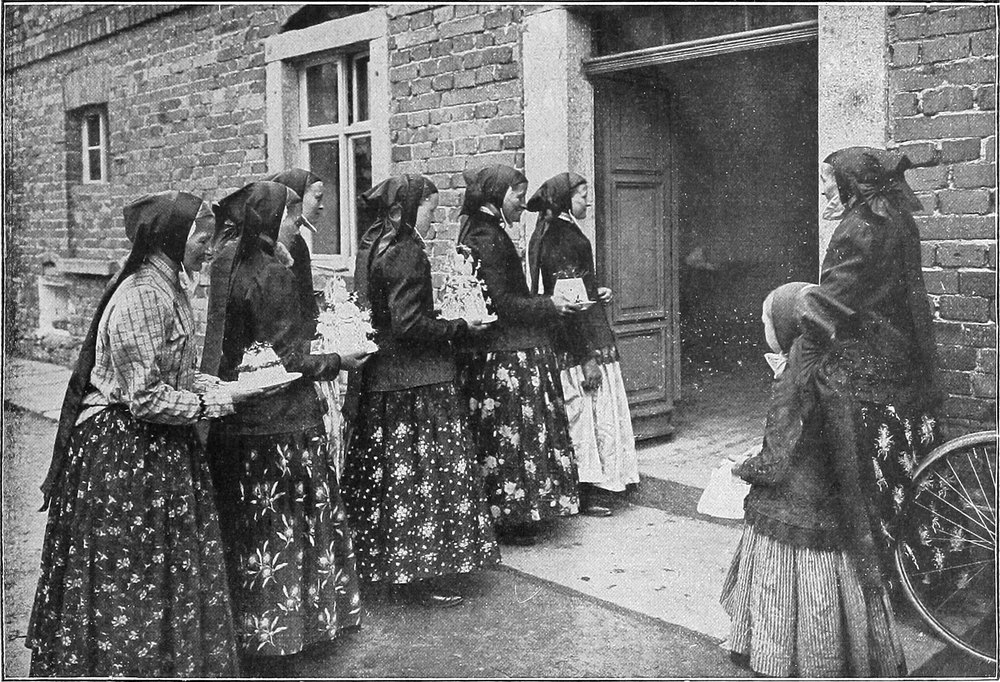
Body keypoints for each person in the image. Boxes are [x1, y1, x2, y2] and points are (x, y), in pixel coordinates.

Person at [27, 191, 266, 677]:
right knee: (132, 578)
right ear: (172, 237)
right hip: (124, 457)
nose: (209, 247)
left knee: (158, 575)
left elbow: (169, 373)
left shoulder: (168, 285)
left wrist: (216, 385)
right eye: (202, 236)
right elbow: (144, 398)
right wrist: (217, 403)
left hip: (156, 449)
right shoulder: (142, 295)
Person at [207, 181, 369, 672]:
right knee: (288, 528)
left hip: (237, 420)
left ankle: (252, 632)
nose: (300, 227)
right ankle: (290, 637)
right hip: (282, 424)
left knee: (252, 529)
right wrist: (339, 359)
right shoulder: (272, 273)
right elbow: (291, 360)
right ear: (274, 220)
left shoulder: (227, 261)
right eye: (295, 218)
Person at [722, 282, 907, 678]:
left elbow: (775, 463)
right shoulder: (830, 367)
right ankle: (839, 654)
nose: (763, 328)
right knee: (835, 589)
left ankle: (782, 657)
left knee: (784, 589)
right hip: (837, 504)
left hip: (795, 510)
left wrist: (742, 469)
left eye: (766, 321)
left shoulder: (796, 376)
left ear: (785, 327)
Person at [341, 174, 499, 607]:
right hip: (416, 382)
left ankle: (389, 568)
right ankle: (423, 575)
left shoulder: (377, 243)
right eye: (431, 208)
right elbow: (409, 324)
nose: (435, 217)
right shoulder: (407, 251)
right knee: (423, 479)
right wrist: (459, 325)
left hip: (386, 380)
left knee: (392, 481)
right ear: (411, 208)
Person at [801, 147, 942, 591]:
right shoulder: (897, 219)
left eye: (828, 180)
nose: (824, 189)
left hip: (871, 372)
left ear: (849, 185)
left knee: (874, 480)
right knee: (913, 475)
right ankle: (928, 574)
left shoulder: (858, 227)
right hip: (905, 363)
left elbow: (833, 301)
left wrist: (798, 312)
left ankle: (878, 583)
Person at [457, 164, 585, 546]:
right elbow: (503, 304)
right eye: (516, 195)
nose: (522, 203)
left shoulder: (487, 231)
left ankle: (516, 514)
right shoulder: (487, 237)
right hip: (503, 355)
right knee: (511, 438)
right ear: (497, 195)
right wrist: (550, 304)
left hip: (501, 350)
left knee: (508, 438)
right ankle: (513, 517)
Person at [527, 172, 640, 516]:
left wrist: (594, 290)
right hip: (579, 339)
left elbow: (572, 290)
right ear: (565, 201)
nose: (588, 202)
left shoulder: (549, 232)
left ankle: (590, 486)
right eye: (582, 196)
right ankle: (588, 490)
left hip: (574, 335)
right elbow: (569, 305)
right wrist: (586, 356)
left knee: (585, 413)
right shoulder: (563, 237)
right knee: (586, 414)